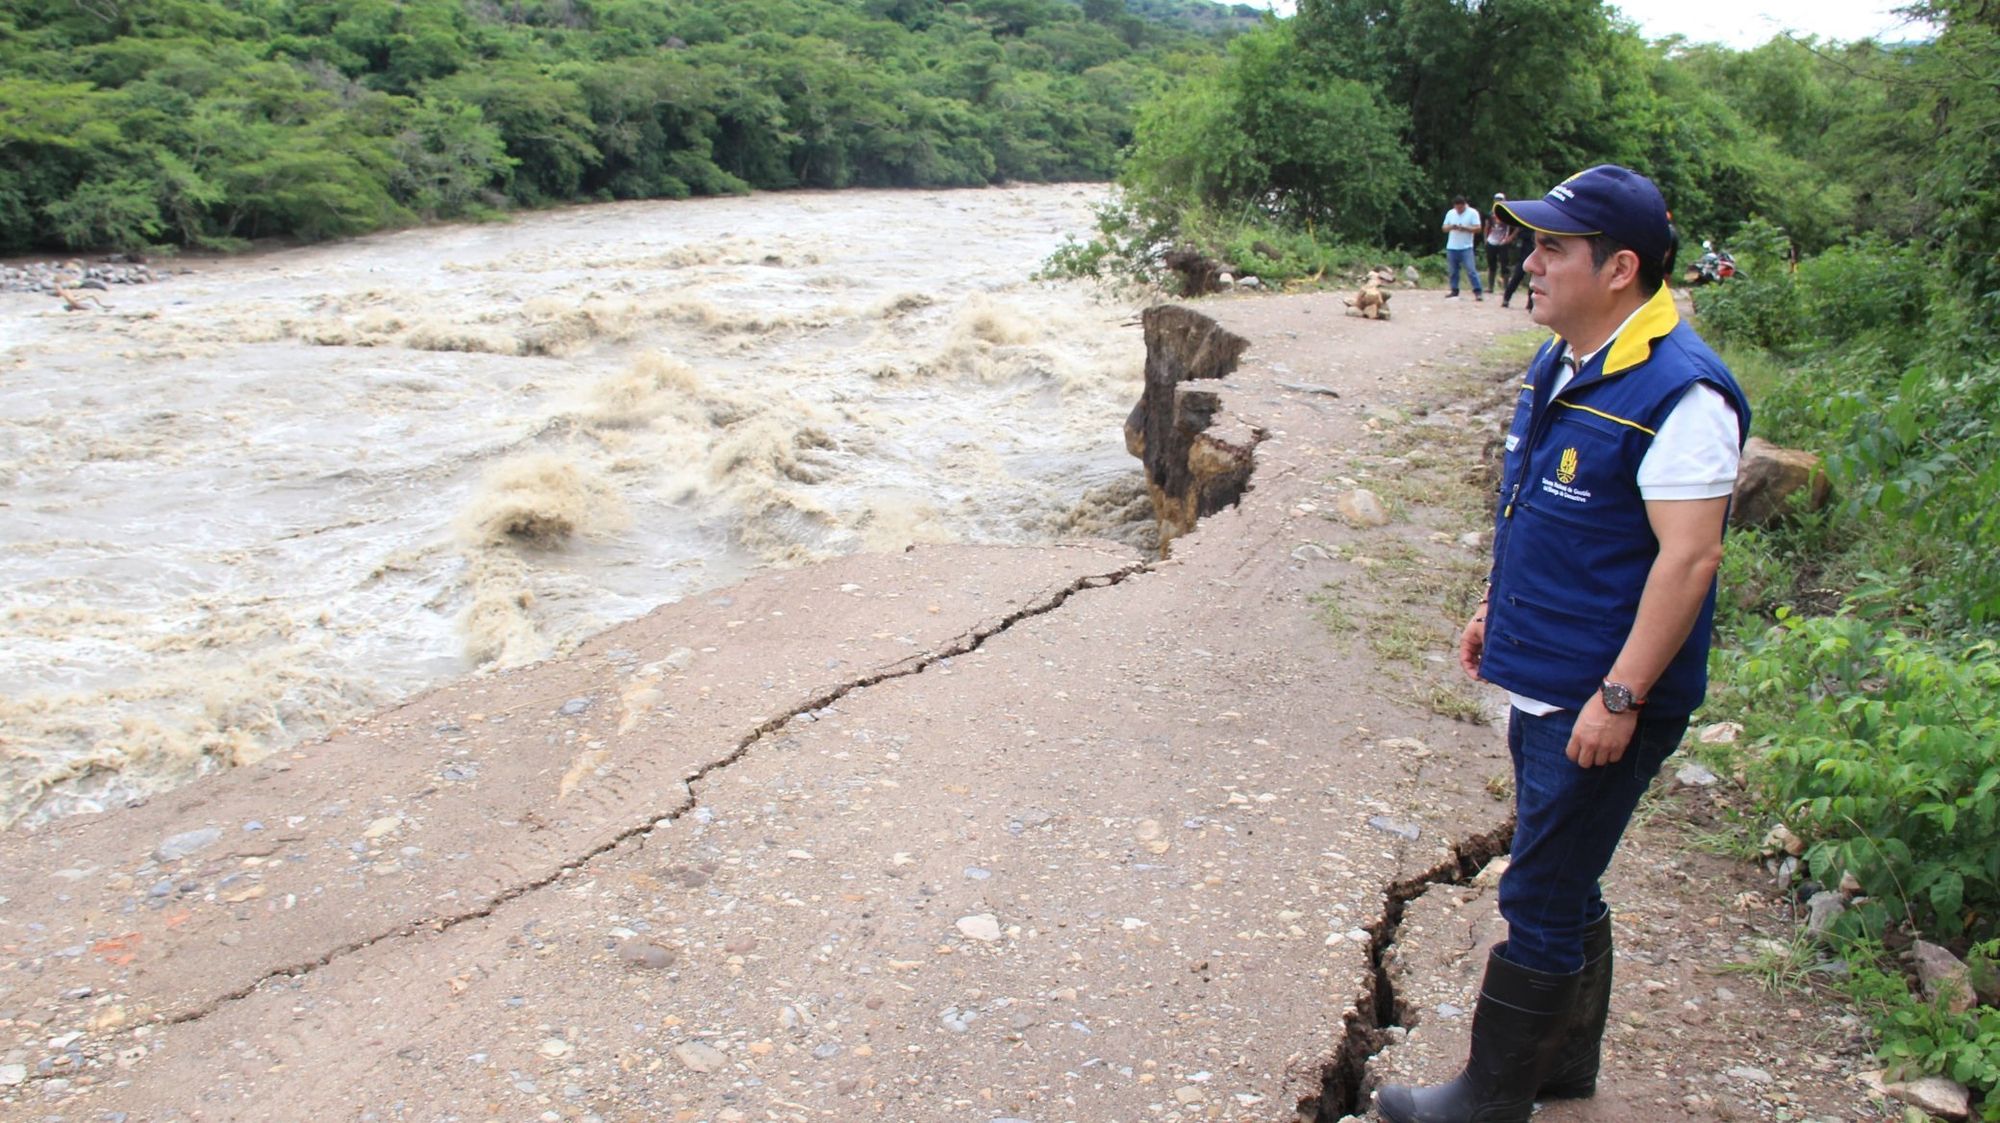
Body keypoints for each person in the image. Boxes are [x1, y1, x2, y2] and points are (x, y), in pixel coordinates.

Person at [1375, 164, 1750, 1123]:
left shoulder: (1682, 395)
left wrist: (1620, 696)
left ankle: (1489, 1100)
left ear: (1620, 268)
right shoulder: (1567, 358)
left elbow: (1689, 560)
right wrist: (1493, 606)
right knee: (1567, 874)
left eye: (1552, 247)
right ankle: (1565, 1065)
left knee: (1539, 890)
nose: (1528, 262)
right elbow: (1538, 505)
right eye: (1530, 244)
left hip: (1599, 695)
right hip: (1547, 676)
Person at [1441, 195, 1485, 300]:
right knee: (1453, 271)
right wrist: (1452, 227)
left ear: (1464, 205)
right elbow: (1444, 228)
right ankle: (1454, 290)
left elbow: (1478, 228)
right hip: (1452, 246)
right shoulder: (1451, 213)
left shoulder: (1473, 213)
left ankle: (1478, 291)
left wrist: (1465, 228)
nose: (1459, 210)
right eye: (1457, 208)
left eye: (1460, 208)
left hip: (1466, 246)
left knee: (1471, 270)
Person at [1483, 193, 1517, 293]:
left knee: (1504, 265)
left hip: (1503, 241)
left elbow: (1516, 227)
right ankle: (1490, 287)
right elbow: (1487, 226)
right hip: (1491, 241)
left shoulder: (1509, 213)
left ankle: (1506, 288)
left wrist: (1510, 238)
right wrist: (1485, 239)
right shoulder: (1491, 213)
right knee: (1491, 264)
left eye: (1500, 200)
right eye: (1497, 200)